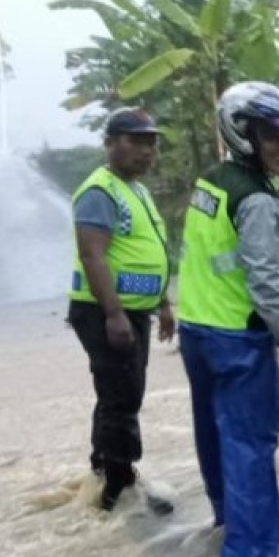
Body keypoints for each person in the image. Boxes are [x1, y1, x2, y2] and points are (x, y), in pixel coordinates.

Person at [175, 81, 279, 557]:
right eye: (272, 134)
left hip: (197, 331)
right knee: (251, 447)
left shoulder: (211, 181)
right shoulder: (255, 199)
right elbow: (265, 277)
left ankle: (226, 526)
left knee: (215, 435)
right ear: (242, 132)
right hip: (236, 337)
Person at [67, 107, 175, 514]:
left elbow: (147, 253)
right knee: (120, 396)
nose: (146, 151)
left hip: (133, 312)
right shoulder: (100, 191)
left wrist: (162, 304)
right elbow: (93, 255)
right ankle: (119, 489)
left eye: (151, 142)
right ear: (110, 143)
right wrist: (113, 314)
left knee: (123, 393)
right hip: (104, 312)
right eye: (136, 141)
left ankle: (106, 474)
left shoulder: (136, 190)